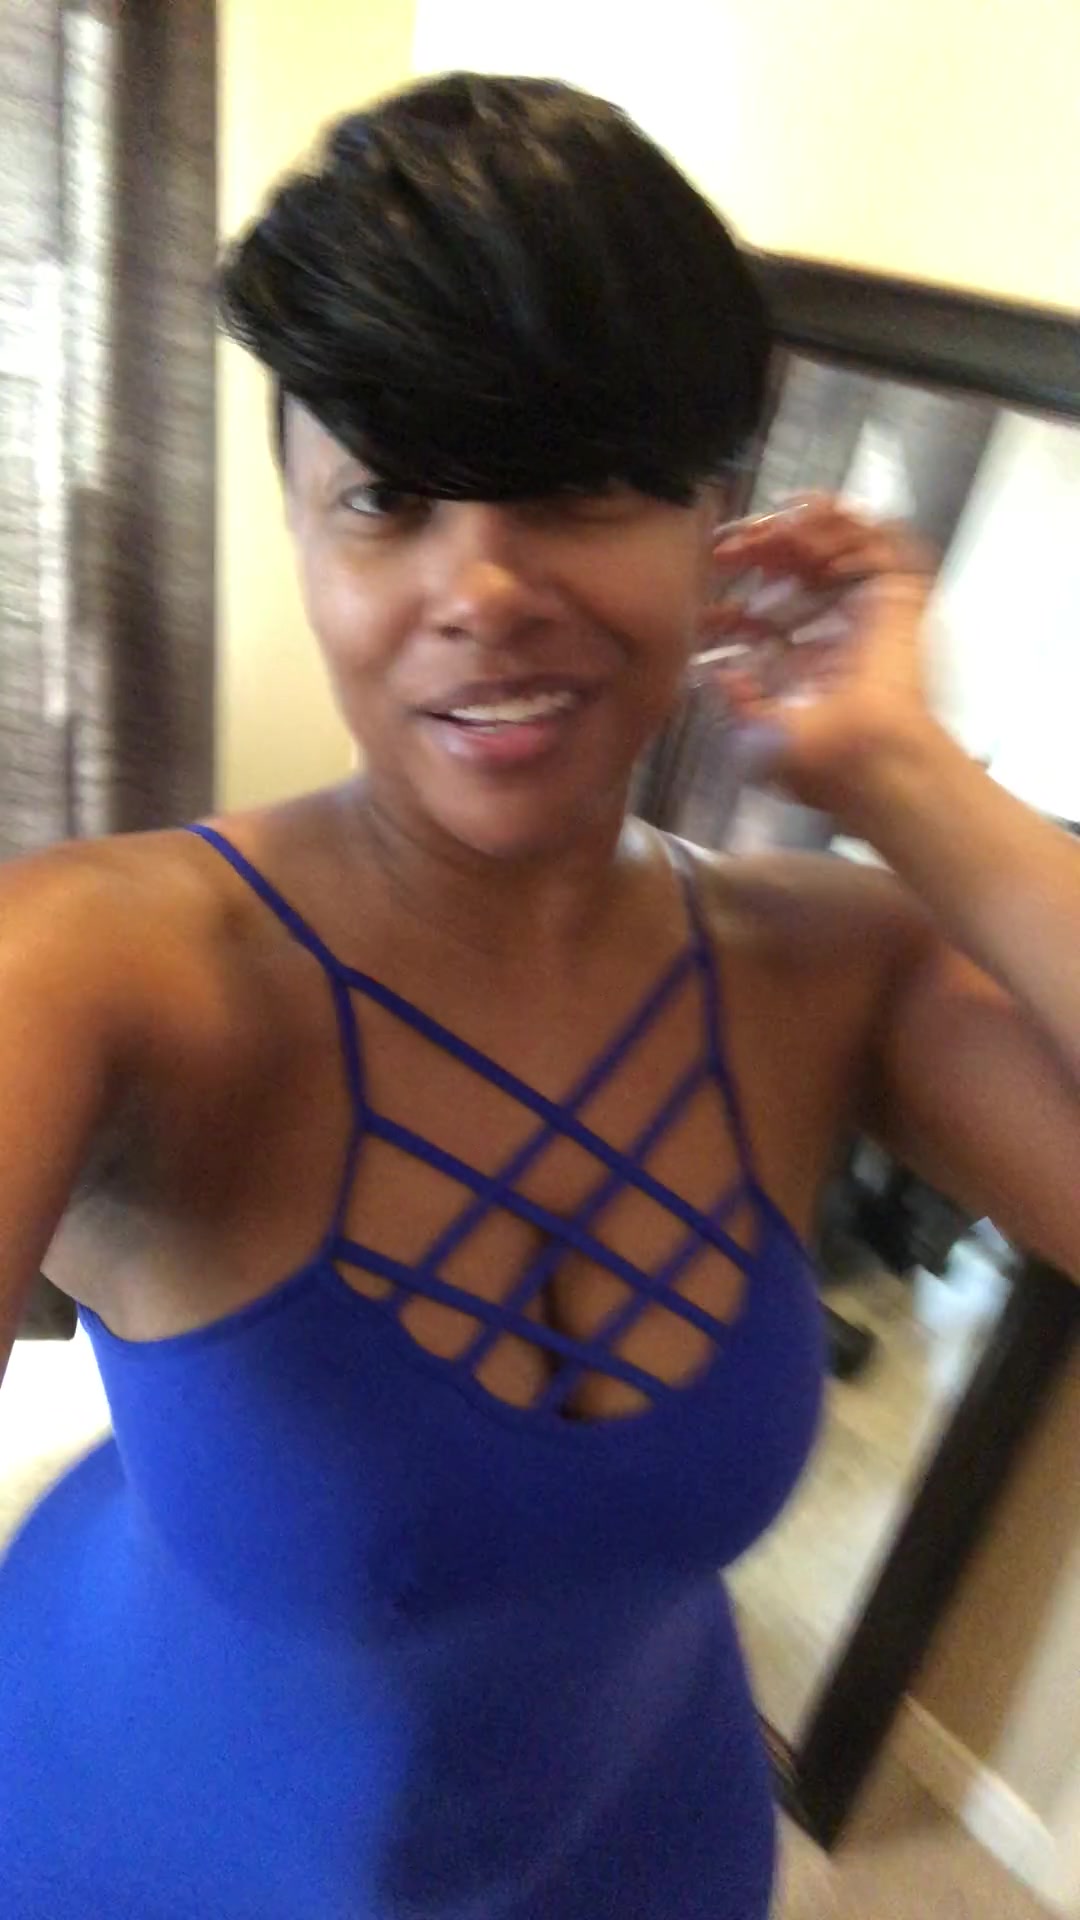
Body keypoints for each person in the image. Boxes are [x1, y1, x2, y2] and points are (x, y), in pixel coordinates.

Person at [1, 71, 1078, 1920]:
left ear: (712, 517)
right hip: (133, 1840)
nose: (482, 589)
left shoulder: (829, 969)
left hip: (644, 1853)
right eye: (390, 498)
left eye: (576, 485)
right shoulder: (101, 968)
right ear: (301, 533)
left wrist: (897, 769)